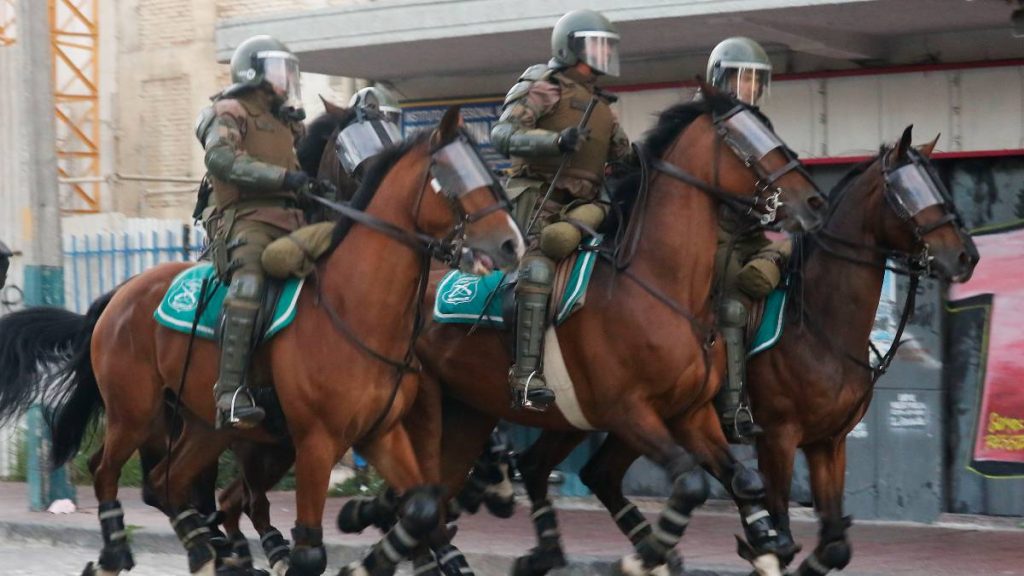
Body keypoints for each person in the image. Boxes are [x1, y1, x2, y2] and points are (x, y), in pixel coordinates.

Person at [490, 9, 633, 410]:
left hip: (584, 210)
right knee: (536, 271)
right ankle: (525, 376)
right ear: (569, 48)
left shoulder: (602, 106)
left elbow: (625, 158)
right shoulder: (544, 85)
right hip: (538, 203)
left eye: (608, 47)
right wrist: (554, 143)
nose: (603, 54)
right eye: (595, 45)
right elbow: (502, 134)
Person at [194, 34, 310, 429]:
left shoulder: (287, 122)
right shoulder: (229, 110)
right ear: (252, 73)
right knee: (249, 283)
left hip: (293, 220)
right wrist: (285, 178)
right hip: (245, 220)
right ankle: (229, 394)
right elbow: (221, 159)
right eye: (279, 70)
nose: (286, 79)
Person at [705, 37, 791, 442]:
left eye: (757, 80)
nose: (751, 87)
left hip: (754, 233)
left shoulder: (761, 128)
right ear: (720, 78)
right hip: (713, 236)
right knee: (734, 309)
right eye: (743, 78)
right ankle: (733, 407)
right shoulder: (703, 126)